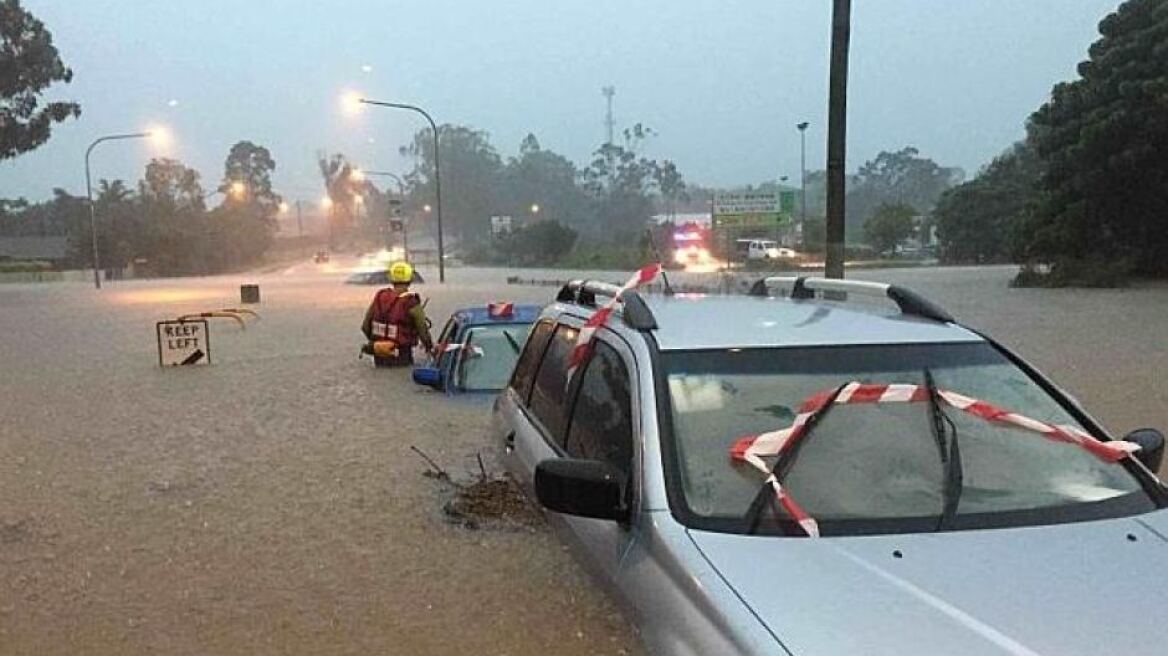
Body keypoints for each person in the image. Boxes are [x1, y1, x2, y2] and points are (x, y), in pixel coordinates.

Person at [361, 261, 434, 367]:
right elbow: (423, 330)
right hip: (402, 356)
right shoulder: (411, 302)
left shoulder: (380, 297)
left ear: (391, 278)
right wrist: (429, 348)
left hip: (379, 356)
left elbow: (365, 326)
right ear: (410, 279)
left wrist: (380, 344)